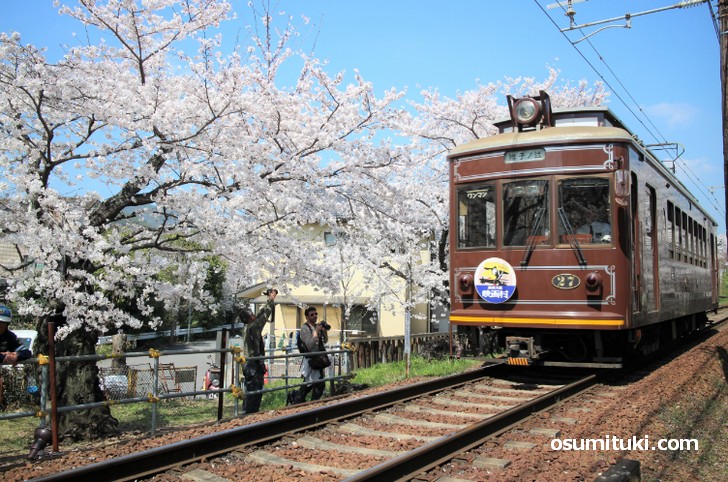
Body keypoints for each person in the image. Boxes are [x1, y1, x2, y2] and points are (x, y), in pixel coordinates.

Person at [241, 289, 277, 414]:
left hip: (249, 364)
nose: (254, 315)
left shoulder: (248, 327)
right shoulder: (254, 326)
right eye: (252, 314)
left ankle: (248, 413)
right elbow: (265, 314)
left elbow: (261, 313)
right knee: (255, 392)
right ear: (249, 318)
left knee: (252, 390)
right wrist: (271, 300)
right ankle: (250, 414)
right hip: (253, 364)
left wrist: (268, 300)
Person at [288, 306, 329, 405]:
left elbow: (325, 341)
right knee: (310, 383)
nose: (315, 316)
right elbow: (309, 345)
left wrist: (324, 332)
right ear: (307, 317)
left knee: (316, 383)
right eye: (312, 315)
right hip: (311, 360)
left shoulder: (316, 326)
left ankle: (306, 402)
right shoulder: (305, 328)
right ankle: (298, 400)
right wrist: (317, 332)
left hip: (318, 359)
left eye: (316, 314)